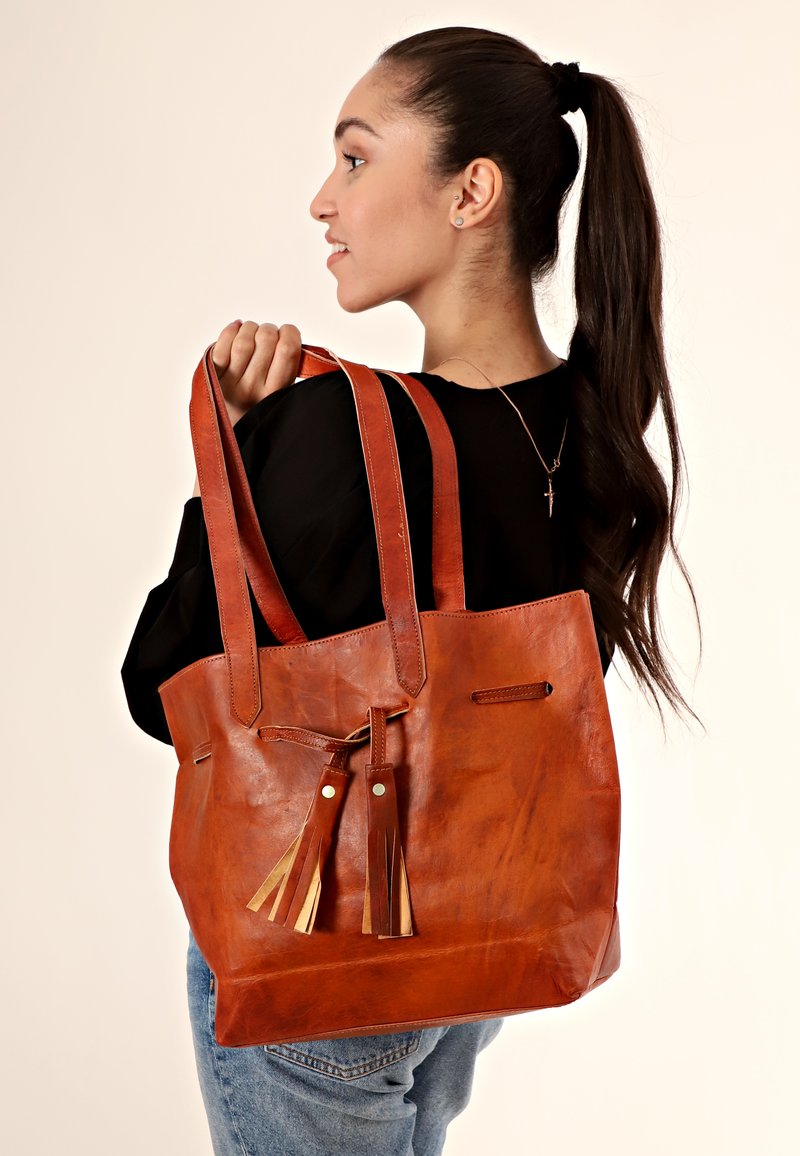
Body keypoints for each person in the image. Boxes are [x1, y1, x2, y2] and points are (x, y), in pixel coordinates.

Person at [121, 24, 695, 1156]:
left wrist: (234, 454)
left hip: (320, 964)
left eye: (354, 157)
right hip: (474, 951)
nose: (322, 201)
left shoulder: (333, 429)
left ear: (471, 191)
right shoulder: (591, 421)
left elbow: (160, 688)